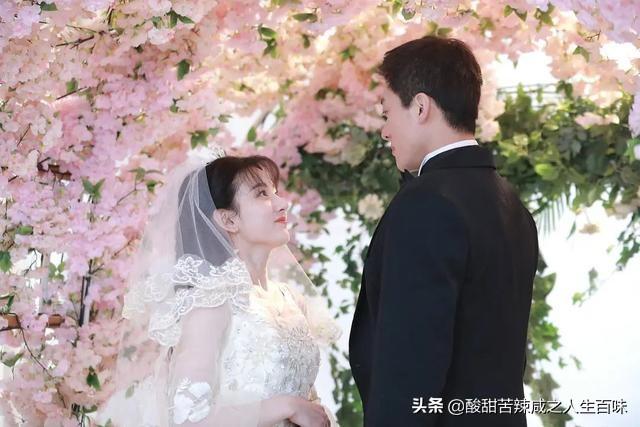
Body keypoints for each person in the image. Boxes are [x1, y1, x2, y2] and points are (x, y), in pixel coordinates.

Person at [348, 36, 539, 426]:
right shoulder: (510, 202)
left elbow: (409, 370)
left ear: (420, 107)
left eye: (386, 112)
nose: (384, 131)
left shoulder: (427, 204)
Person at [98, 152, 342, 427]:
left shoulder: (289, 299)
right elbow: (188, 420)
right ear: (228, 220)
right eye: (262, 194)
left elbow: (307, 402)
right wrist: (286, 406)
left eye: (275, 192)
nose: (282, 203)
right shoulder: (210, 304)